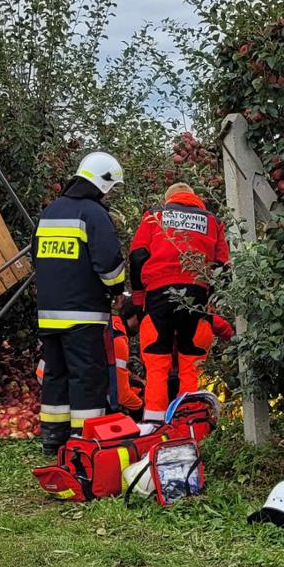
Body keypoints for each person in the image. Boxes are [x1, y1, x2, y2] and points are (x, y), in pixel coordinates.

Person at [33, 152, 127, 454]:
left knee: (55, 375)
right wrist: (117, 290)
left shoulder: (50, 212)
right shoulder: (93, 214)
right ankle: (85, 441)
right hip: (83, 314)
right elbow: (109, 265)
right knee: (87, 376)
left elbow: (37, 258)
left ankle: (52, 438)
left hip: (48, 315)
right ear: (102, 182)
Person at [128, 182, 230, 430]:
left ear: (169, 199)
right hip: (197, 294)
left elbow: (138, 256)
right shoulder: (212, 221)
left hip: (158, 294)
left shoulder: (154, 216)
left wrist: (141, 300)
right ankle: (190, 423)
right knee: (192, 363)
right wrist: (208, 301)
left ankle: (153, 425)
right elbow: (222, 265)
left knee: (156, 360)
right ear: (194, 198)